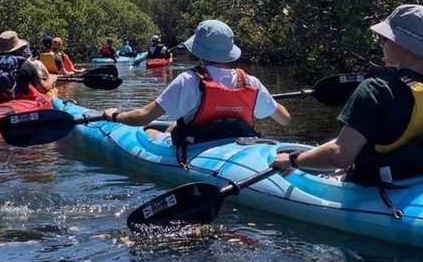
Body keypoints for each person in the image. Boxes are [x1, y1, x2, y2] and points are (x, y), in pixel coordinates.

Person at [270, 4, 423, 186]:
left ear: (402, 44)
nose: (382, 45)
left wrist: (293, 160)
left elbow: (339, 157)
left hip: (381, 188)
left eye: (385, 39)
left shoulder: (376, 89)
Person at [101, 20, 291, 159]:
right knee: (173, 126)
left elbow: (143, 117)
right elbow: (285, 120)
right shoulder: (251, 83)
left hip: (197, 148)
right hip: (241, 148)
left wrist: (115, 116)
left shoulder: (188, 80)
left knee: (149, 131)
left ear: (199, 52)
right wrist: (261, 99)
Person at [0, 30, 56, 106]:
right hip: (20, 107)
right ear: (18, 48)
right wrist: (51, 79)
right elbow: (44, 90)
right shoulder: (25, 64)